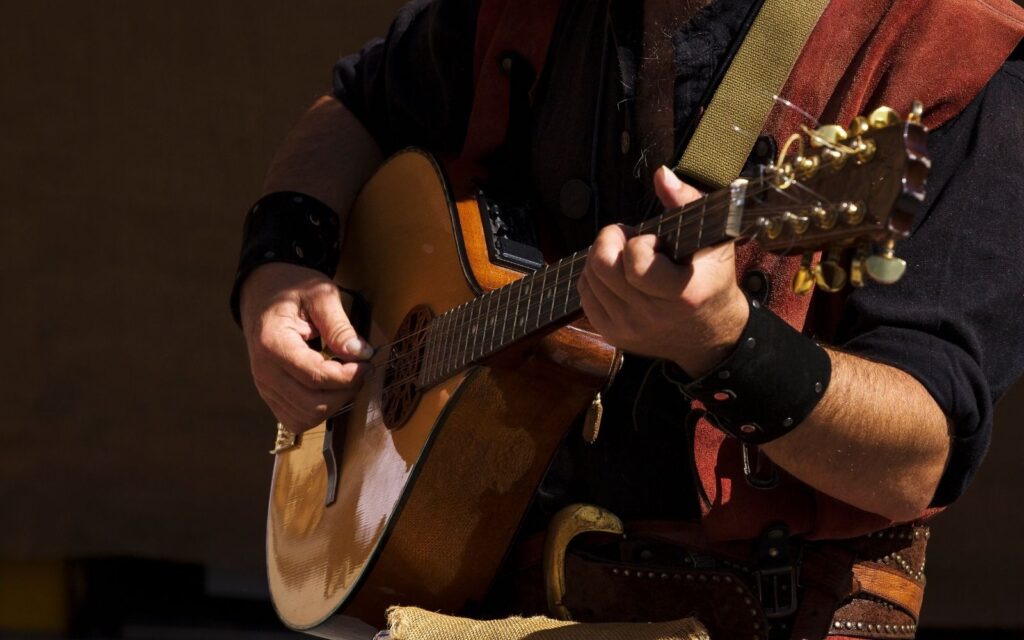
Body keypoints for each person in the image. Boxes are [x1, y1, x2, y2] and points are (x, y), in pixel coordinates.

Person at [232, 0, 1024, 637]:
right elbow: (358, 103)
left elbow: (918, 456)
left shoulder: (946, 42)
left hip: (763, 612)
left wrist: (726, 346)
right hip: (481, 603)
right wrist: (280, 264)